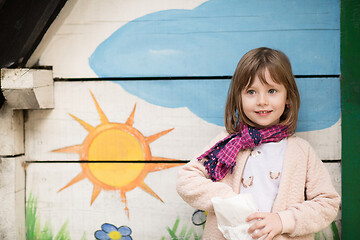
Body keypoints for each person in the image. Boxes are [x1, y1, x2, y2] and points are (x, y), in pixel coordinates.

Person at [176, 47, 340, 240]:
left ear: (287, 96)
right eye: (251, 91)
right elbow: (187, 179)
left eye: (272, 91)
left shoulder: (301, 152)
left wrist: (282, 220)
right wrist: (226, 200)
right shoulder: (228, 143)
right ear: (239, 97)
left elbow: (327, 203)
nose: (262, 101)